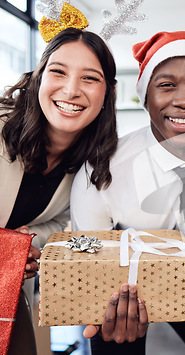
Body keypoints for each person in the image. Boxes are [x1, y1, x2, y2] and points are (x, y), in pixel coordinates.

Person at [70, 31, 185, 354]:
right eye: (166, 85)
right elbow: (88, 263)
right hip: (119, 276)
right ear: (144, 96)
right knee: (113, 335)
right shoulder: (102, 169)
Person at [0, 27, 118, 354]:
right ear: (39, 77)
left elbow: (61, 223)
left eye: (90, 79)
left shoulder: (94, 163)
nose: (71, 90)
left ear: (107, 92)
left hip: (6, 289)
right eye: (58, 72)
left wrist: (21, 245)